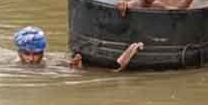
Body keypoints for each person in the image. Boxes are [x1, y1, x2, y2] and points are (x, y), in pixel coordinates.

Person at [13, 26, 144, 71]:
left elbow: (69, 68)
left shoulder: (50, 63)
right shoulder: (11, 67)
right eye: (26, 54)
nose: (31, 59)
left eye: (36, 54)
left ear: (42, 52)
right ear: (19, 53)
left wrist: (75, 67)